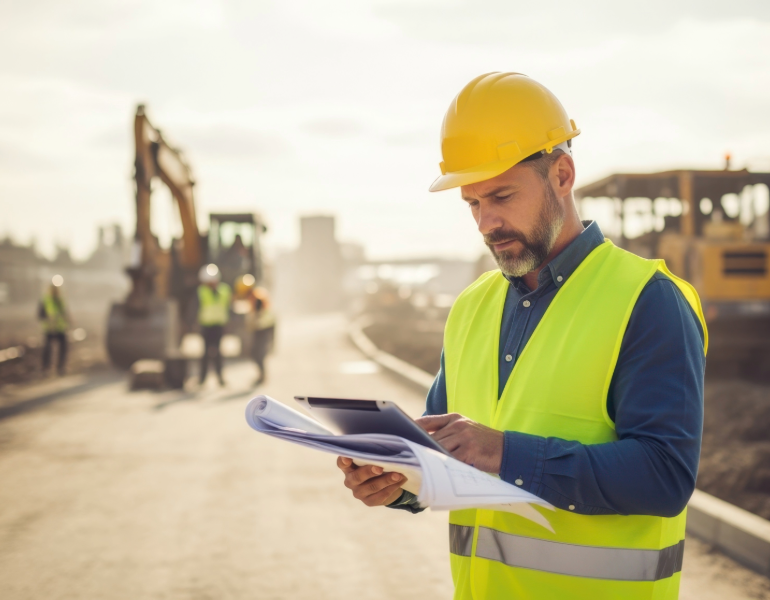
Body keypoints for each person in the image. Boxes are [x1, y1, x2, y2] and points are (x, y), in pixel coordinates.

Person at [337, 73, 706, 600]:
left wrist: (505, 453)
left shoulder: (648, 300)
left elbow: (665, 476)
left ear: (562, 174)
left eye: (502, 196)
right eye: (472, 204)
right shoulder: (470, 307)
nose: (487, 222)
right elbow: (446, 459)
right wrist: (398, 485)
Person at [235, 274, 276, 384]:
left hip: (264, 328)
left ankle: (262, 376)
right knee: (255, 352)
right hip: (263, 327)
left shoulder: (256, 297)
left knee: (257, 352)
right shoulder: (255, 295)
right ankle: (261, 375)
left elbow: (257, 315)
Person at [197, 264, 231, 386]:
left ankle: (220, 378)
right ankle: (202, 379)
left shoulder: (224, 290)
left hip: (219, 326)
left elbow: (229, 306)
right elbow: (196, 307)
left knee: (218, 352)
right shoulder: (201, 291)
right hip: (206, 326)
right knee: (205, 353)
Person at [38, 275, 71, 376]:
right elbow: (40, 314)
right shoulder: (45, 300)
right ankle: (45, 368)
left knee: (63, 348)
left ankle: (60, 367)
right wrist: (48, 320)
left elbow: (64, 313)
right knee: (47, 349)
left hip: (60, 328)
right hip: (50, 329)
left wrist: (68, 320)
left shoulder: (60, 300)